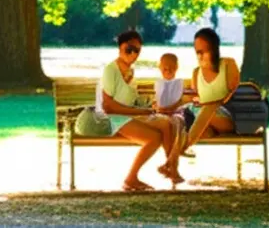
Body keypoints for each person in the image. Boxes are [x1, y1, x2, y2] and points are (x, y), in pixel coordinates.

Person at [74, 30, 181, 190]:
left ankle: (170, 168)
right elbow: (108, 107)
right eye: (128, 49)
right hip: (107, 118)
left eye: (136, 50)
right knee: (154, 138)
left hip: (123, 116)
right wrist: (142, 113)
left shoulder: (130, 71)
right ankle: (131, 178)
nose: (133, 53)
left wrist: (148, 106)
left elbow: (130, 100)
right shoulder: (111, 70)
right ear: (120, 48)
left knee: (166, 124)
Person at [161, 27, 239, 171]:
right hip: (204, 122)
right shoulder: (196, 73)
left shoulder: (228, 64)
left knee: (209, 107)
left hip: (228, 118)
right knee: (202, 129)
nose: (200, 55)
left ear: (214, 48)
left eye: (204, 51)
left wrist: (210, 104)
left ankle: (172, 159)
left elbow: (232, 94)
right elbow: (193, 98)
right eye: (198, 51)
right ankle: (171, 165)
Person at [151, 52, 187, 182]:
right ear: (160, 67)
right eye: (165, 68)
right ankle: (172, 168)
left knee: (176, 126)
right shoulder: (158, 83)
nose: (168, 70)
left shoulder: (179, 83)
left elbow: (179, 102)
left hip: (174, 114)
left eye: (171, 67)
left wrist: (169, 109)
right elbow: (156, 102)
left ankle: (169, 166)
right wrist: (158, 108)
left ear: (177, 68)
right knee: (168, 126)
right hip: (162, 115)